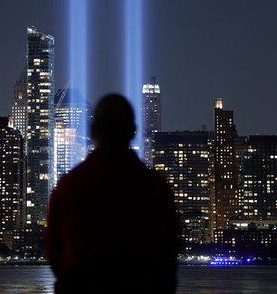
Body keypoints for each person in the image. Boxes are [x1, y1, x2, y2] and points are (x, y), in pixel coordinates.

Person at [45, 93, 181, 293]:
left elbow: (54, 253)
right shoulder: (156, 186)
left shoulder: (69, 186)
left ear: (92, 131)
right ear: (133, 132)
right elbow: (170, 253)